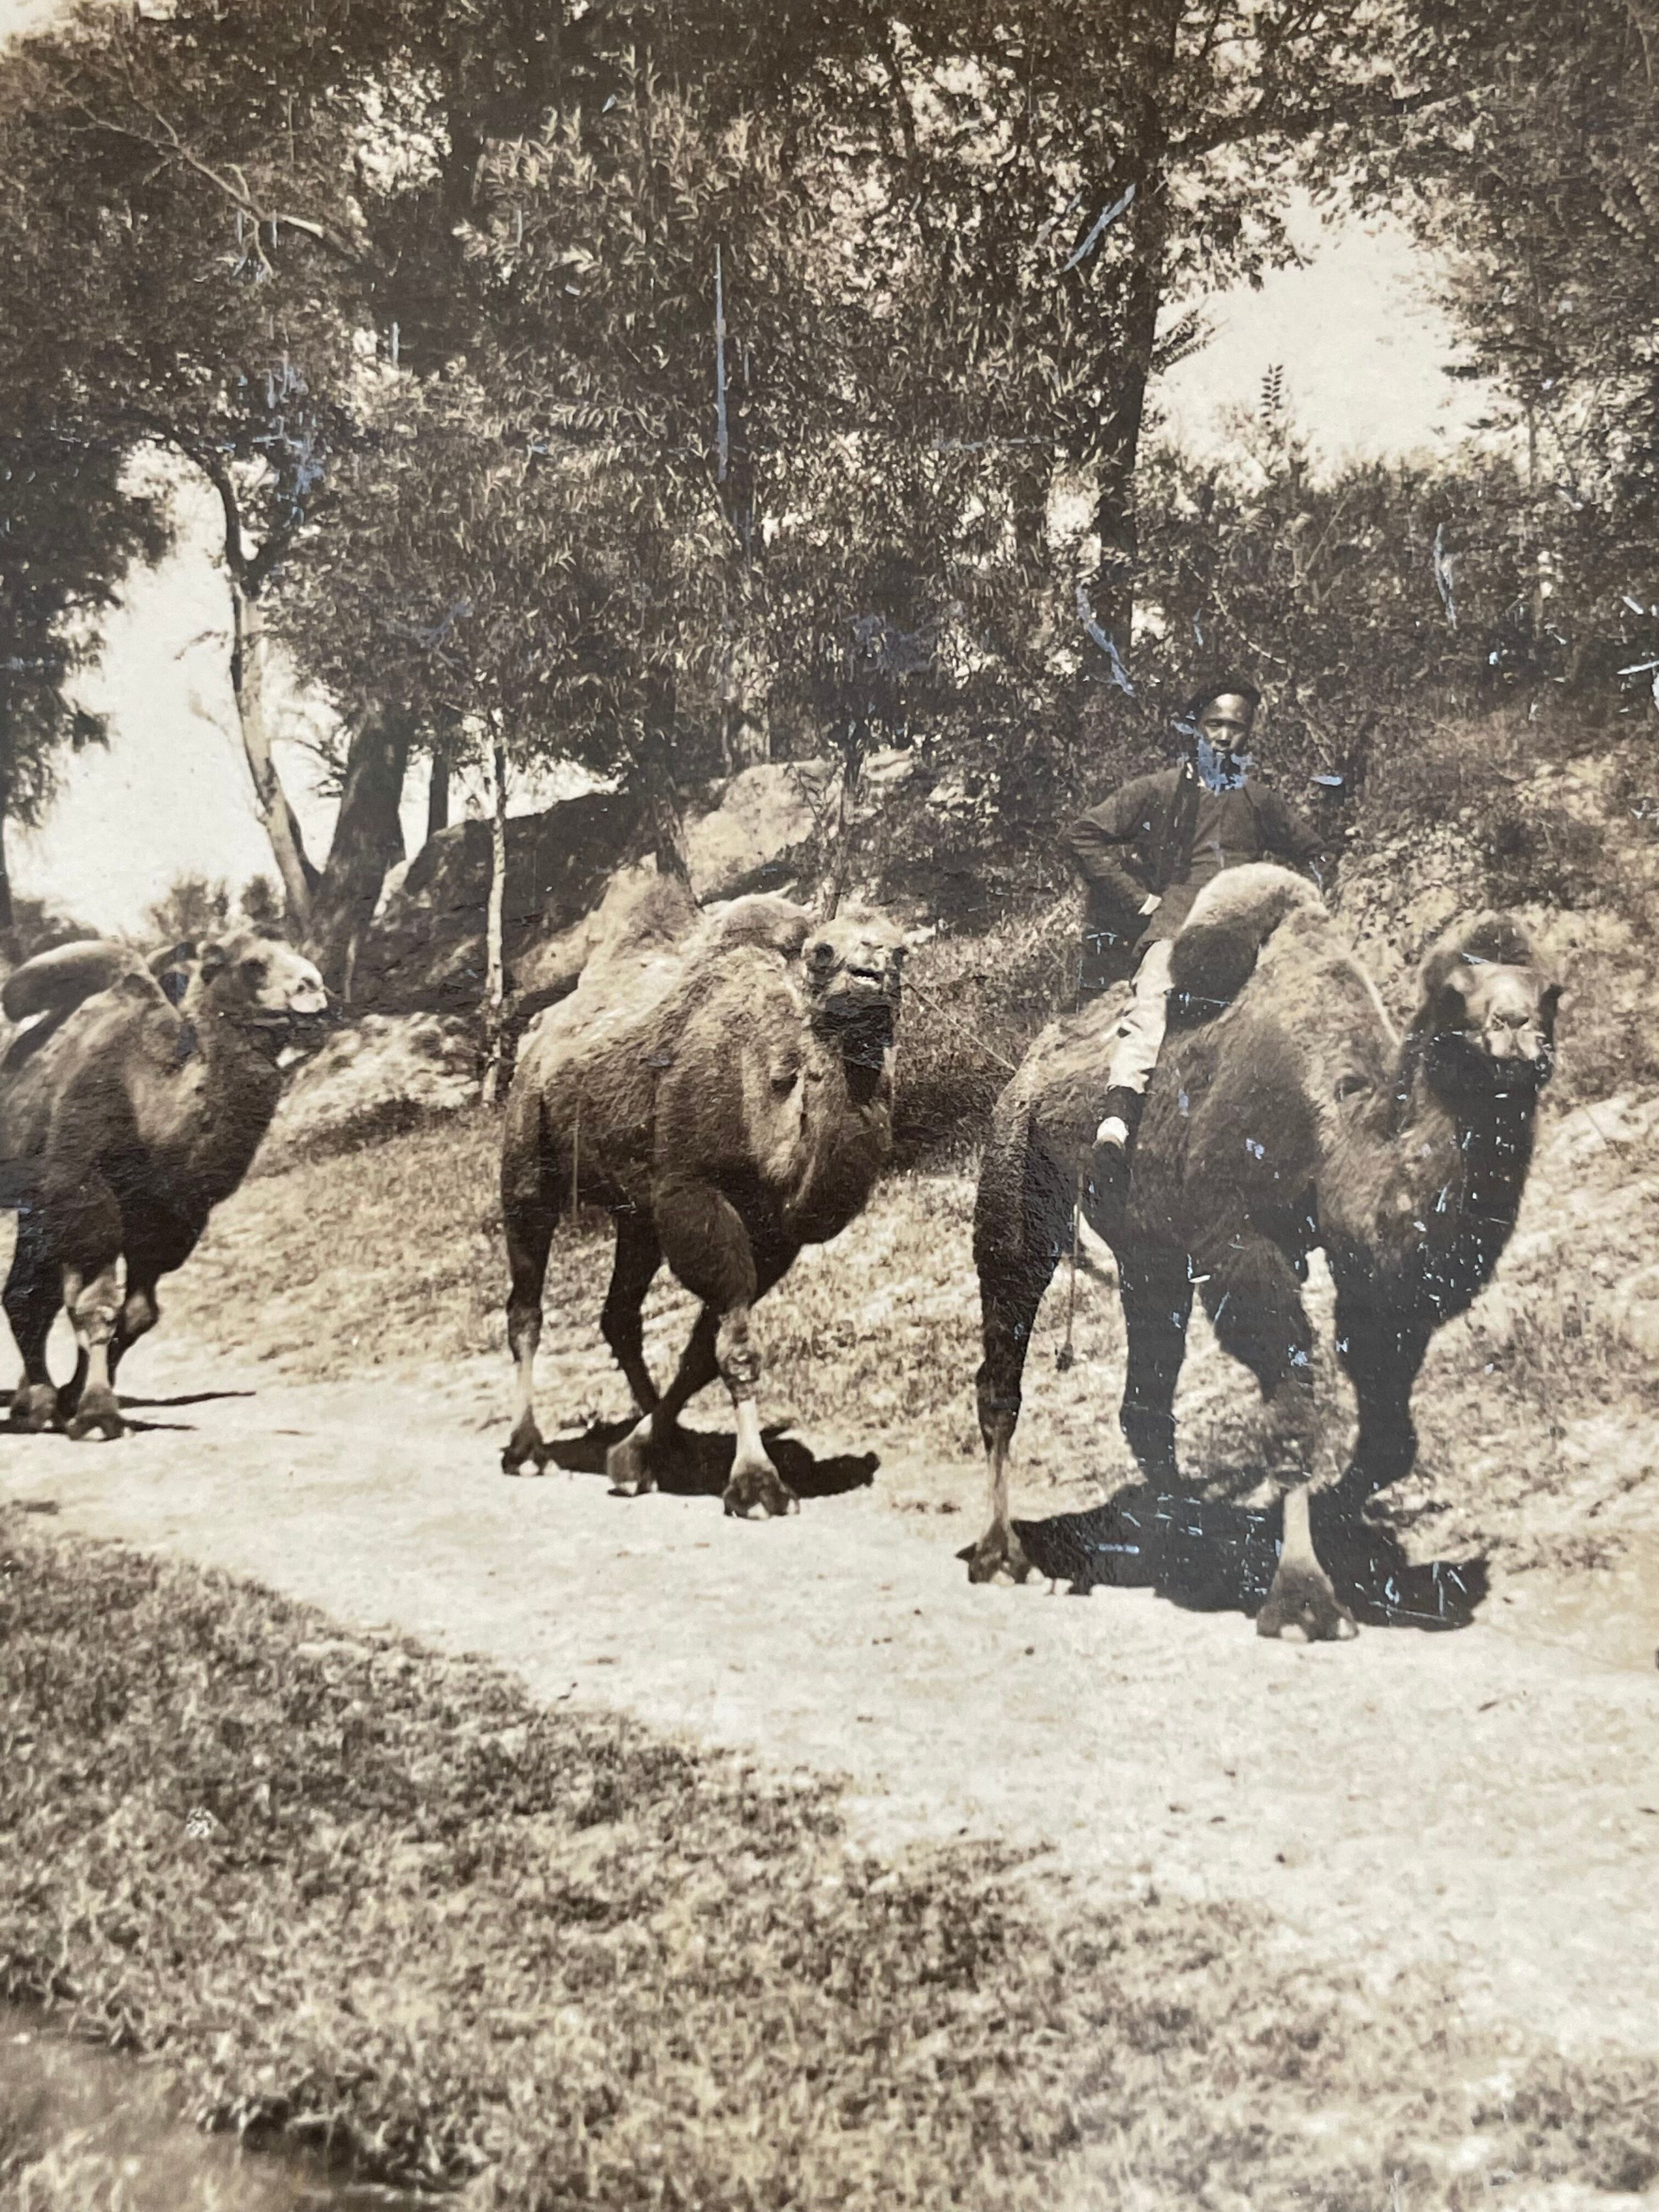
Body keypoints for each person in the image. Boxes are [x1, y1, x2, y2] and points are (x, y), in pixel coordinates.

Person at [1063, 678, 1331, 1181]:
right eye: (1215, 725)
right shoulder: (1159, 791)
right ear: (1194, 729)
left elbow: (1315, 853)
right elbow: (1084, 834)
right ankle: (1117, 1123)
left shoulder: (1259, 799)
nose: (1225, 737)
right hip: (1177, 926)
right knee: (1152, 1003)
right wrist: (1138, 900)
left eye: (1237, 727)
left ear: (1249, 735)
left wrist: (1296, 902)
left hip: (1249, 931)